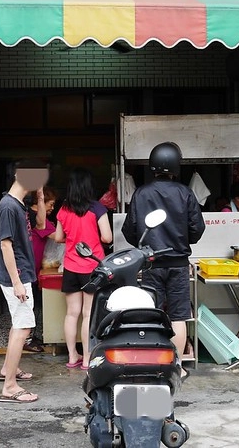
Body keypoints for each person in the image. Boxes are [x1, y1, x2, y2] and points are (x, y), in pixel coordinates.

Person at [121, 142, 205, 379]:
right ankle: (175, 367)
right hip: (178, 265)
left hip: (150, 264)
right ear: (176, 166)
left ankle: (153, 364)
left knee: (152, 314)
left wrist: (143, 246)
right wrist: (185, 241)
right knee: (179, 316)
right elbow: (197, 228)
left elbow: (130, 229)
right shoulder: (185, 193)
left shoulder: (141, 193)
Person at [0, 160, 47, 403]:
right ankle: (10, 387)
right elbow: (5, 245)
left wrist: (40, 196)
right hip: (17, 275)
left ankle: (8, 370)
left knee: (19, 324)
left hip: (22, 273)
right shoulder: (7, 206)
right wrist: (16, 282)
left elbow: (42, 225)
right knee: (24, 327)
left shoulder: (19, 204)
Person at [53, 168, 113, 369]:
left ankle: (72, 356)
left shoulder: (64, 209)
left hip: (70, 266)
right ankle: (87, 359)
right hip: (92, 268)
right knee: (88, 314)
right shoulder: (97, 208)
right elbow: (107, 238)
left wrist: (74, 238)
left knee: (72, 313)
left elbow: (59, 237)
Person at [21, 186, 58, 353]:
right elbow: (58, 237)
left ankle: (29, 336)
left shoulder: (26, 213)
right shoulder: (38, 218)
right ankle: (26, 339)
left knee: (29, 302)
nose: (52, 208)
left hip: (28, 264)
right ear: (40, 202)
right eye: (51, 204)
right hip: (29, 265)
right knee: (28, 304)